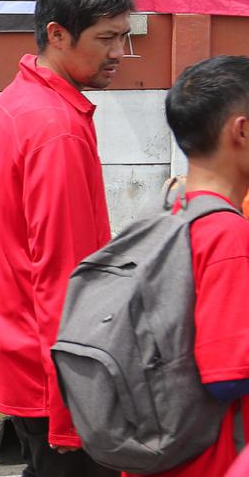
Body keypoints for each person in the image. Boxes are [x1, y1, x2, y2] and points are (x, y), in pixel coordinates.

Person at [0, 0, 132, 476]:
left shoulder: (20, 101)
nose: (118, 53)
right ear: (58, 34)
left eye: (123, 37)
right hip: (52, 376)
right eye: (106, 38)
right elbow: (63, 275)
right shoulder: (54, 127)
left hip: (24, 357)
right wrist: (69, 410)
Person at [127, 55, 249, 477]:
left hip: (157, 453)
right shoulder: (229, 235)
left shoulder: (166, 213)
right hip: (212, 461)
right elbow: (227, 377)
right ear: (241, 131)